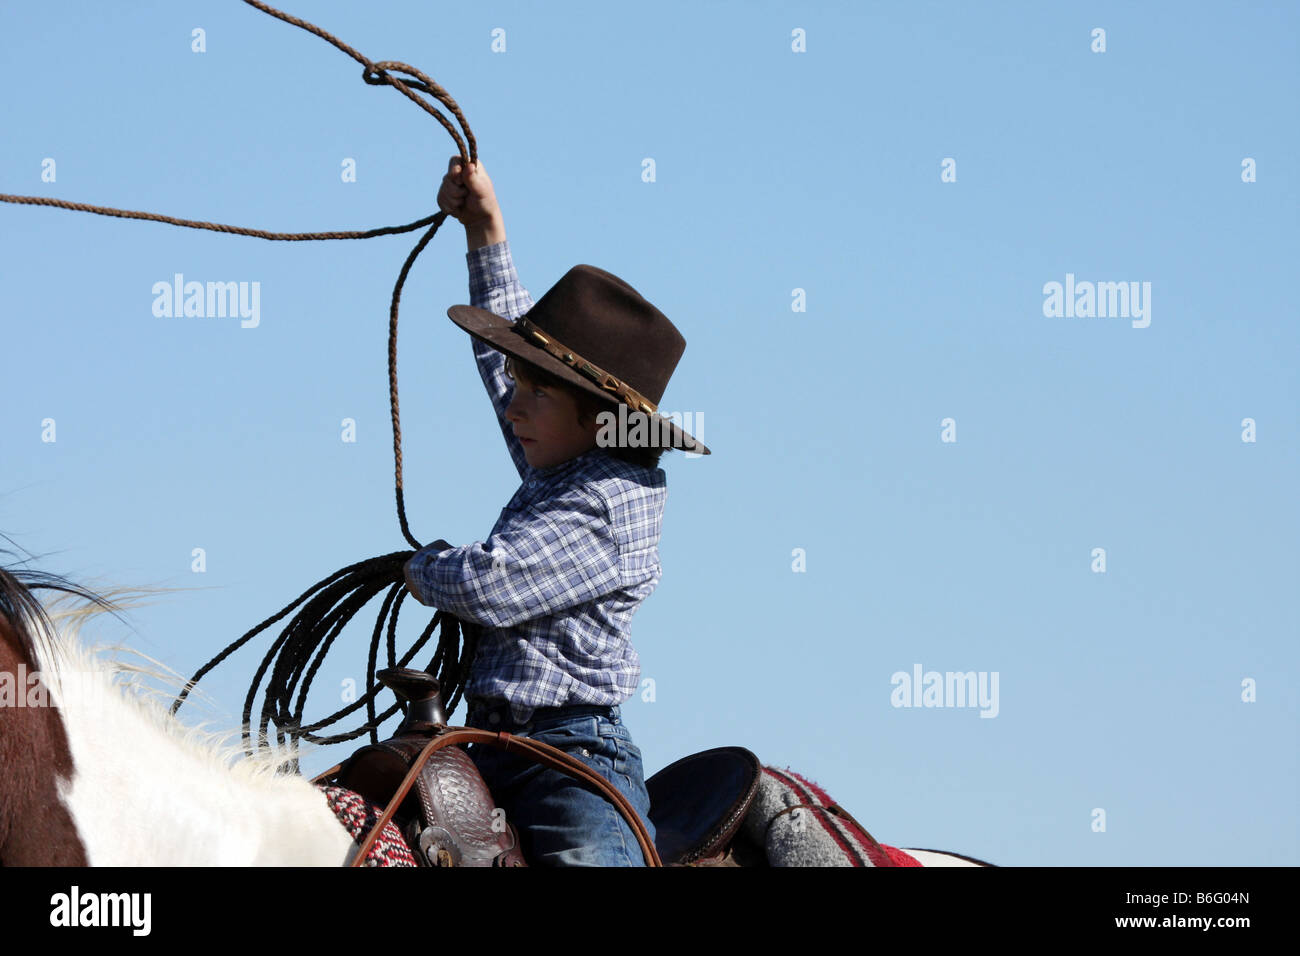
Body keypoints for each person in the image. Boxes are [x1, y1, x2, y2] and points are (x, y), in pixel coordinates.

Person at [402, 156, 709, 866]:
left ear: (600, 420)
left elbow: (491, 584)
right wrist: (484, 230)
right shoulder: (564, 457)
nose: (513, 408)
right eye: (521, 387)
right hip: (490, 741)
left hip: (570, 757)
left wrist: (419, 568)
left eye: (536, 394)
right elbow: (502, 361)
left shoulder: (608, 503)